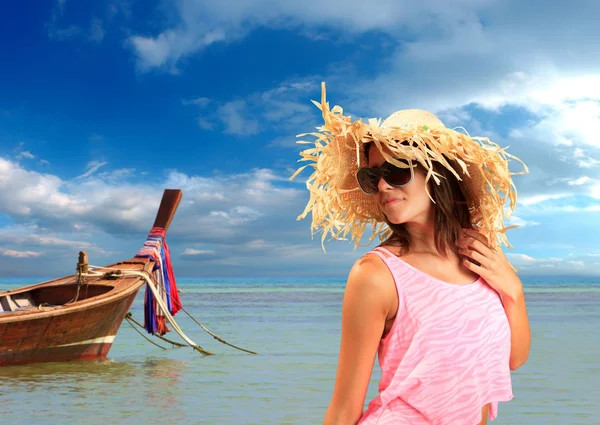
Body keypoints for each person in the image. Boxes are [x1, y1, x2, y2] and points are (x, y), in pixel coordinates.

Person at [291, 83, 532, 425]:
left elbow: (511, 359)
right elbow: (345, 408)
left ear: (437, 173)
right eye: (373, 176)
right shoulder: (376, 275)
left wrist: (514, 292)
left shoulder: (481, 256)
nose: (383, 186)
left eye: (396, 171)